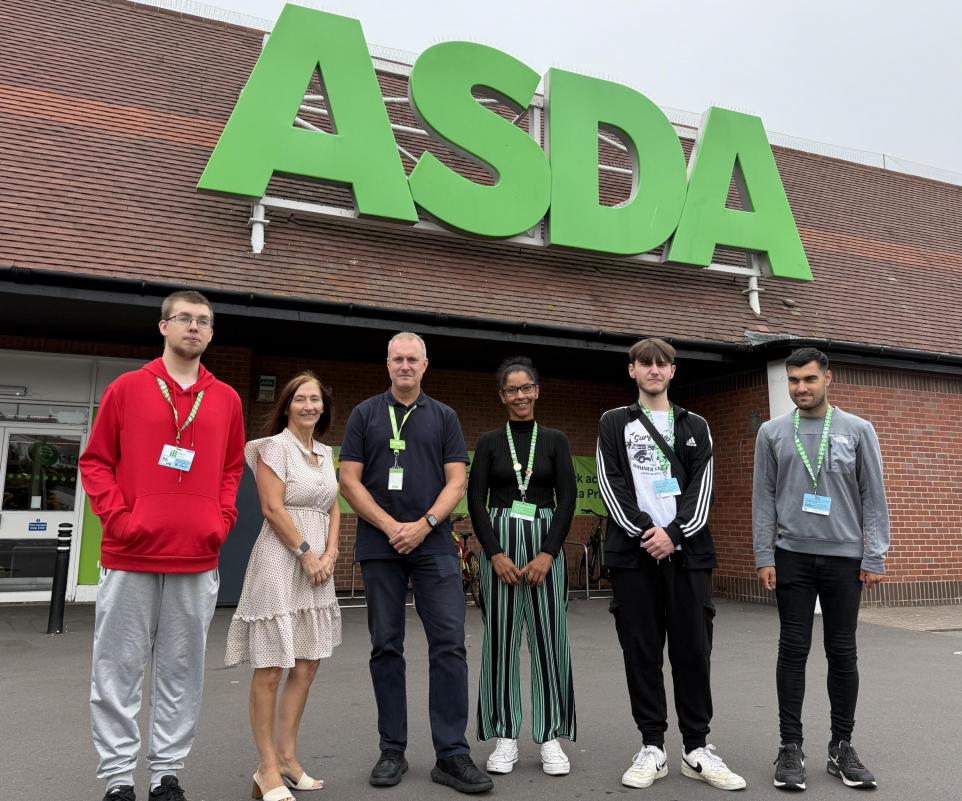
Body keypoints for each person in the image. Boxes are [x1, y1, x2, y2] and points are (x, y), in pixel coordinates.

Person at [80, 290, 245, 801]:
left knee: (182, 669)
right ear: (164, 327)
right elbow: (96, 461)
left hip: (197, 556)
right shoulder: (128, 388)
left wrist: (220, 520)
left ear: (211, 333)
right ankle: (117, 779)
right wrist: (121, 519)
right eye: (184, 319)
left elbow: (231, 469)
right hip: (130, 555)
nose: (193, 327)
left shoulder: (227, 399)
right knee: (118, 667)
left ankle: (166, 774)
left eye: (203, 321)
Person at [338, 332, 493, 794]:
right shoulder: (364, 414)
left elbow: (457, 480)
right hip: (380, 545)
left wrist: (423, 525)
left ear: (426, 365)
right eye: (397, 359)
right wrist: (391, 526)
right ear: (387, 365)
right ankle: (392, 749)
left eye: (413, 359)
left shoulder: (443, 416)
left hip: (433, 546)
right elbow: (349, 480)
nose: (405, 366)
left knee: (449, 645)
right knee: (386, 646)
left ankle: (452, 754)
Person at [596, 337, 745, 792]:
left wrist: (674, 535)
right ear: (632, 370)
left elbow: (704, 490)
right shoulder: (613, 422)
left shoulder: (695, 424)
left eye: (663, 363)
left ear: (674, 371)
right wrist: (647, 533)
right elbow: (610, 482)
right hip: (634, 556)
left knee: (693, 652)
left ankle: (696, 748)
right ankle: (652, 747)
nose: (654, 370)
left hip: (688, 556)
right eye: (646, 363)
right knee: (640, 651)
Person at [753, 347, 890, 792]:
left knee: (842, 652)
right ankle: (789, 747)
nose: (800, 388)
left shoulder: (858, 430)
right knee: (792, 651)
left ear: (828, 378)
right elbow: (763, 498)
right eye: (793, 380)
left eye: (809, 379)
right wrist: (764, 555)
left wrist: (874, 555)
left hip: (844, 559)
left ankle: (841, 747)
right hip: (791, 555)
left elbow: (874, 496)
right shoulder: (772, 433)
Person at [225, 372, 342, 801]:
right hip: (282, 559)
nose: (309, 406)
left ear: (323, 407)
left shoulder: (326, 453)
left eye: (316, 399)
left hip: (318, 566)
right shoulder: (272, 447)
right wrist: (308, 553)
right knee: (272, 665)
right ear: (287, 405)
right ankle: (266, 769)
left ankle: (289, 758)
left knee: (308, 664)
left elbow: (334, 507)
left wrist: (330, 554)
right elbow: (272, 509)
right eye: (300, 399)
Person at [467, 357, 577, 777]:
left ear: (537, 390)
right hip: (501, 551)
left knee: (550, 640)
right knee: (500, 643)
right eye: (512, 390)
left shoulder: (556, 440)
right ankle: (505, 734)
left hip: (545, 547)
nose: (520, 396)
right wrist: (494, 554)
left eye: (526, 388)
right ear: (502, 396)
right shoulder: (490, 441)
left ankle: (549, 735)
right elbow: (477, 501)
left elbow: (567, 499)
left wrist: (549, 553)